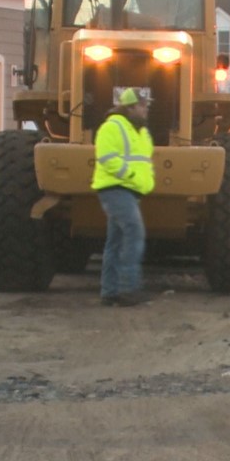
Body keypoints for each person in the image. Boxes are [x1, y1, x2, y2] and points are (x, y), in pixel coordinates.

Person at [92, 87, 155, 307]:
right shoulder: (112, 127)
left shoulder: (140, 131)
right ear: (130, 107)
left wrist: (143, 181)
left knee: (116, 242)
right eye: (142, 106)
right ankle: (128, 289)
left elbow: (143, 160)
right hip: (116, 188)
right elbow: (107, 158)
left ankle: (109, 292)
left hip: (130, 189)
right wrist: (130, 175)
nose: (146, 110)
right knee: (134, 232)